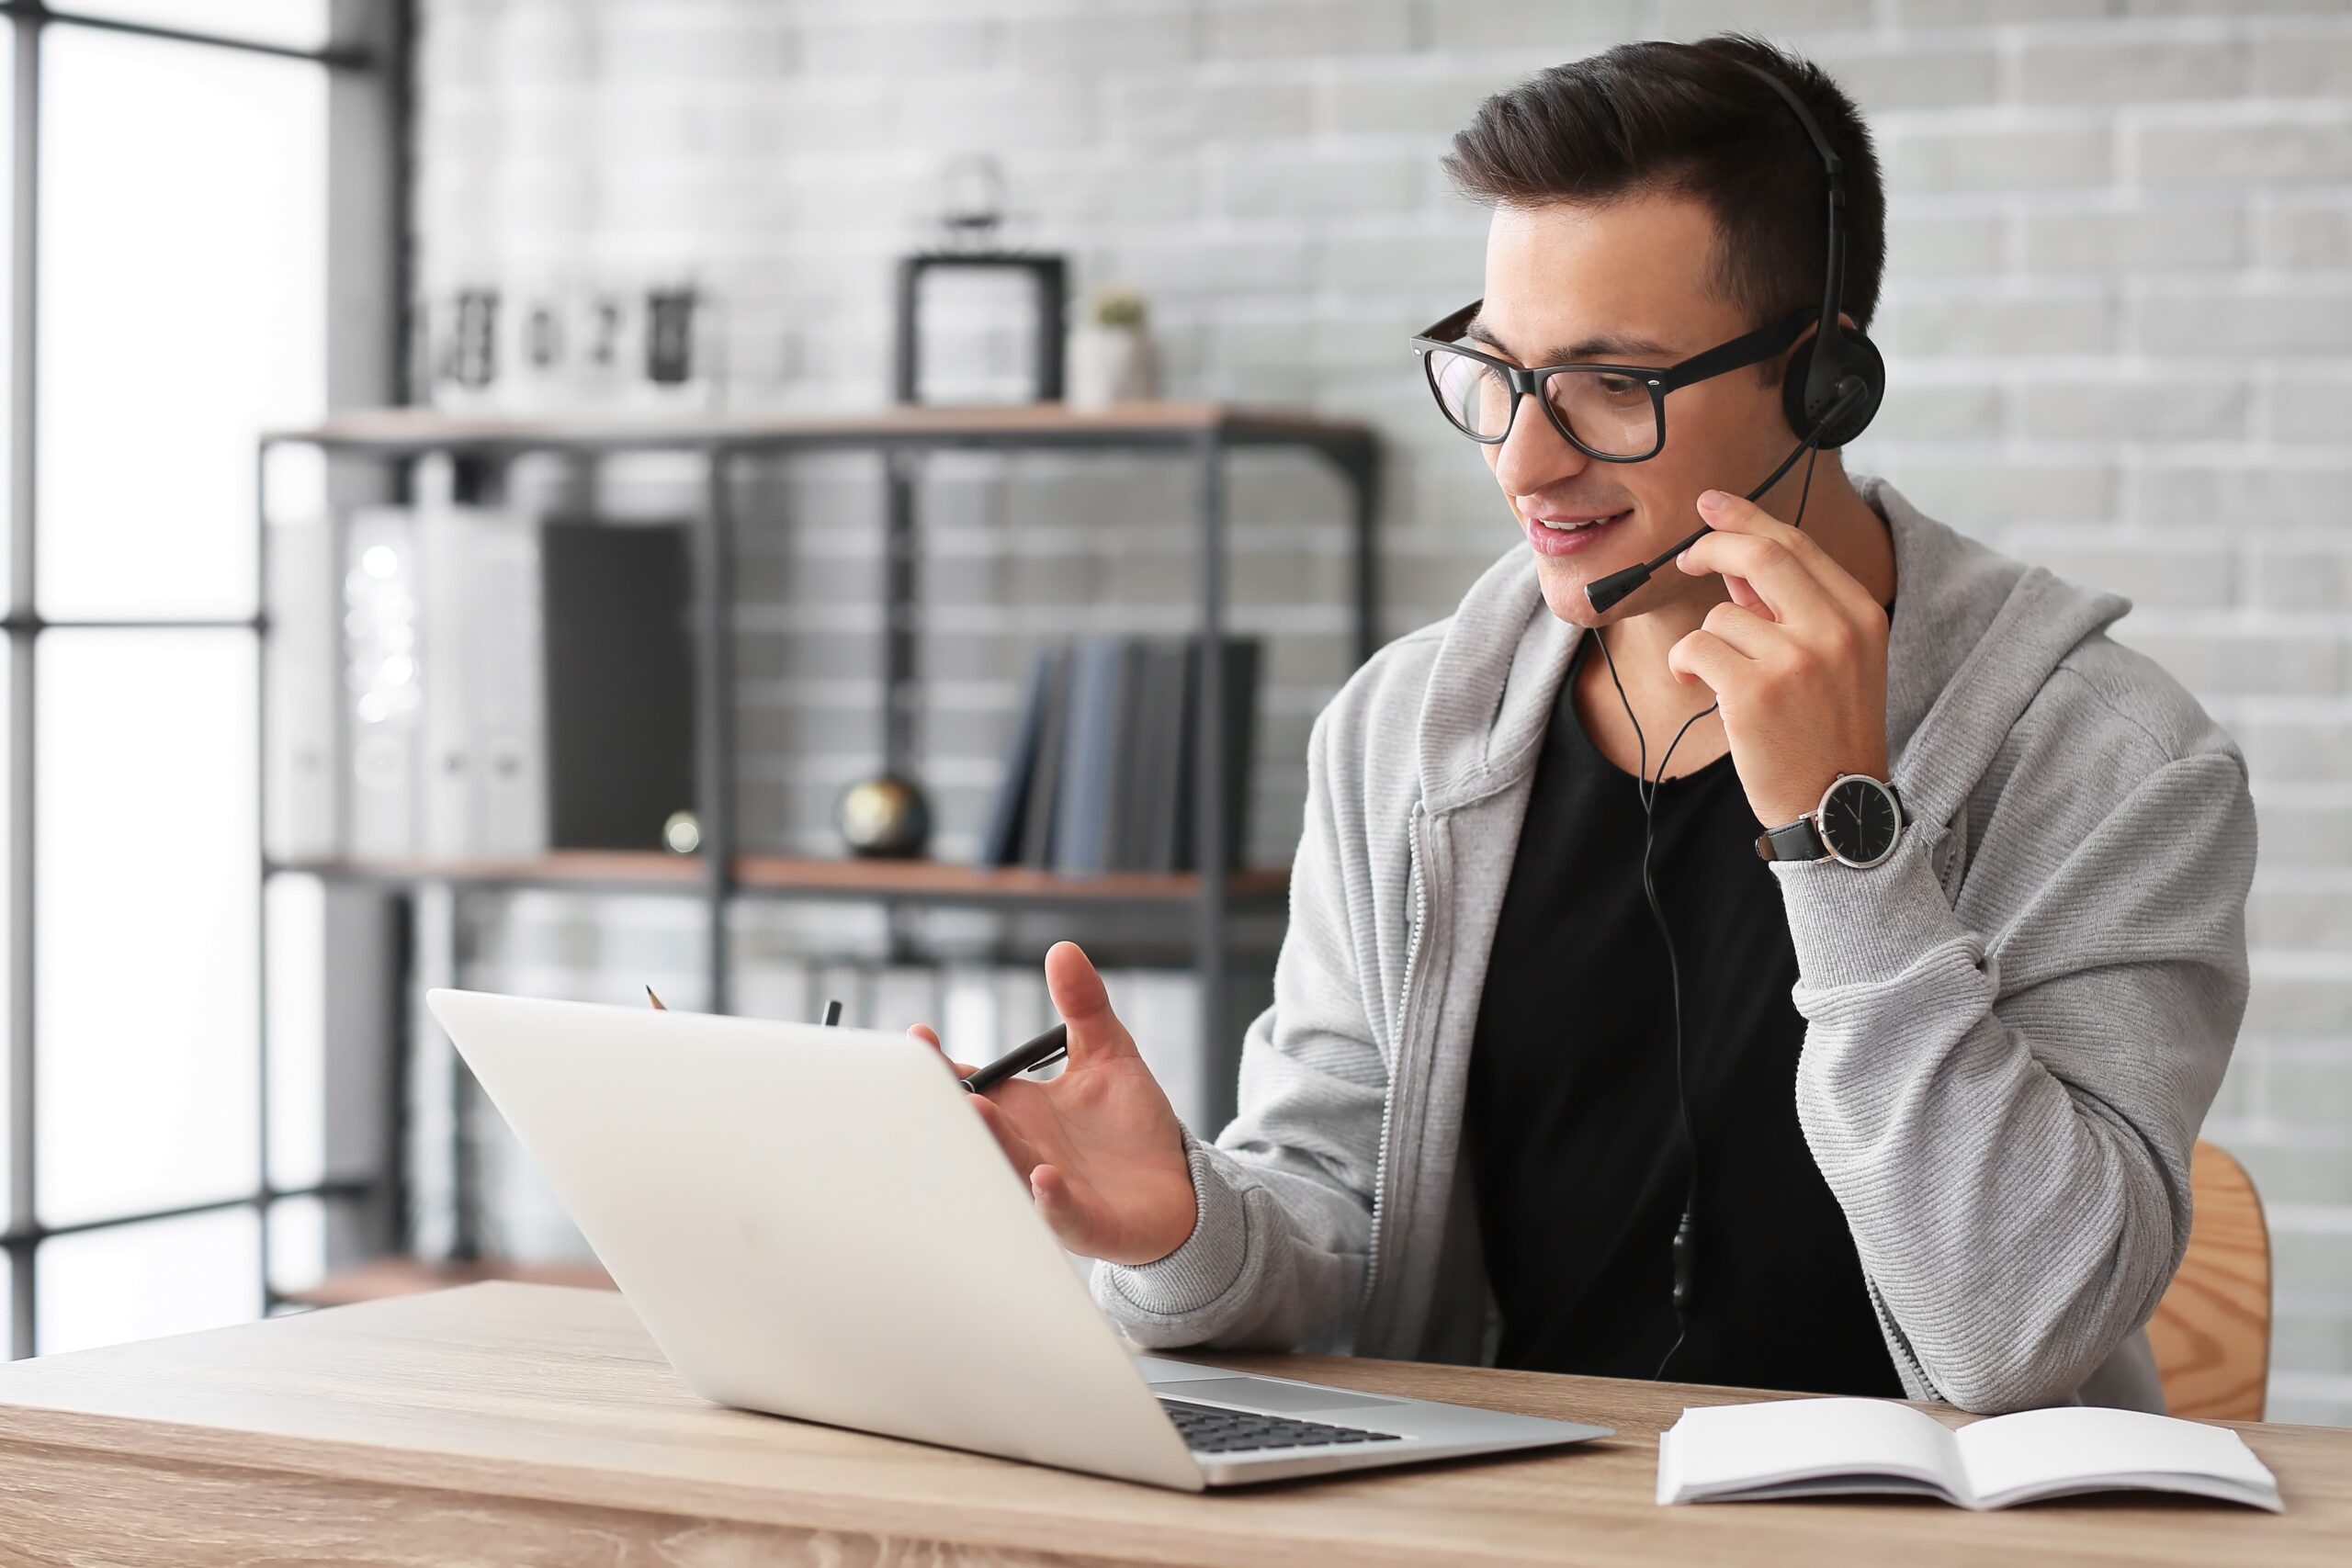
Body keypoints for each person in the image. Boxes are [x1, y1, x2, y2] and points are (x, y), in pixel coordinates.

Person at [910, 34, 2256, 1415]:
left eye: (1616, 387)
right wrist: (1186, 1229)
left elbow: (2017, 1333)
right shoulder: (1397, 735)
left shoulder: (2115, 767)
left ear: (1824, 382)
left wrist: (1846, 841)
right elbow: (1340, 1215)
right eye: (1497, 371)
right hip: (1501, 1526)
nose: (1523, 457)